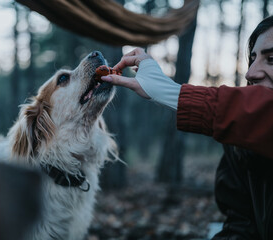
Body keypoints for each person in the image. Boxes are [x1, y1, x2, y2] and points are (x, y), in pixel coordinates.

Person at [101, 16, 273, 239]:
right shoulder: (239, 144)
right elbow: (241, 227)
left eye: (271, 59)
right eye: (253, 59)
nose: (251, 72)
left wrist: (169, 91)